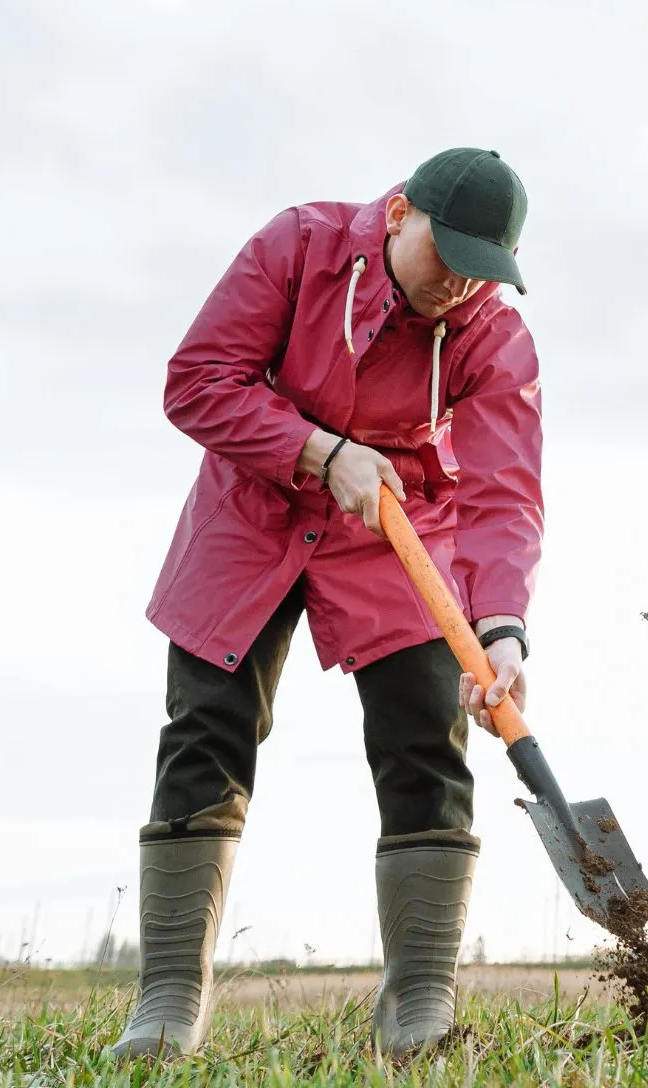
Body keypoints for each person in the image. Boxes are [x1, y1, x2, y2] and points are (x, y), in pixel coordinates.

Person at [110, 148, 543, 1061]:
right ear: (396, 215)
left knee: (427, 734)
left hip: (398, 528)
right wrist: (316, 451)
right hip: (253, 507)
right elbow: (196, 382)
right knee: (206, 727)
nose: (459, 284)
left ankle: (418, 997)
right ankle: (170, 999)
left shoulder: (491, 336)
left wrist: (502, 627)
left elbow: (505, 494)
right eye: (448, 254)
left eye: (482, 269)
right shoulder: (297, 248)